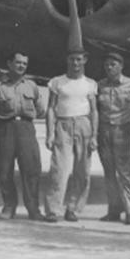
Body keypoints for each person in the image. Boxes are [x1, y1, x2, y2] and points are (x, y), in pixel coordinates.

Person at [0, 50, 47, 220]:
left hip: (26, 129)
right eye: (18, 63)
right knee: (4, 171)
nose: (21, 66)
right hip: (4, 129)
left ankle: (33, 209)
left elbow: (41, 110)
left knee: (32, 170)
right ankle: (9, 206)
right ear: (9, 63)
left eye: (24, 64)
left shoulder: (31, 86)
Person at [44, 49, 99, 223]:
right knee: (59, 169)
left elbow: (94, 110)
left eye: (79, 60)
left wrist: (94, 136)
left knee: (82, 170)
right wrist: (50, 133)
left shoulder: (90, 84)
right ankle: (53, 209)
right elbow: (51, 108)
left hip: (84, 124)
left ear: (85, 61)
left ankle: (73, 208)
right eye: (72, 60)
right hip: (63, 124)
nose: (75, 63)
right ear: (67, 60)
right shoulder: (57, 82)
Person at [95, 52, 130, 225]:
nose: (109, 67)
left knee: (125, 172)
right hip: (104, 132)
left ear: (121, 66)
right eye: (107, 64)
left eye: (113, 64)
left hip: (122, 131)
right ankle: (114, 210)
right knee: (109, 173)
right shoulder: (100, 86)